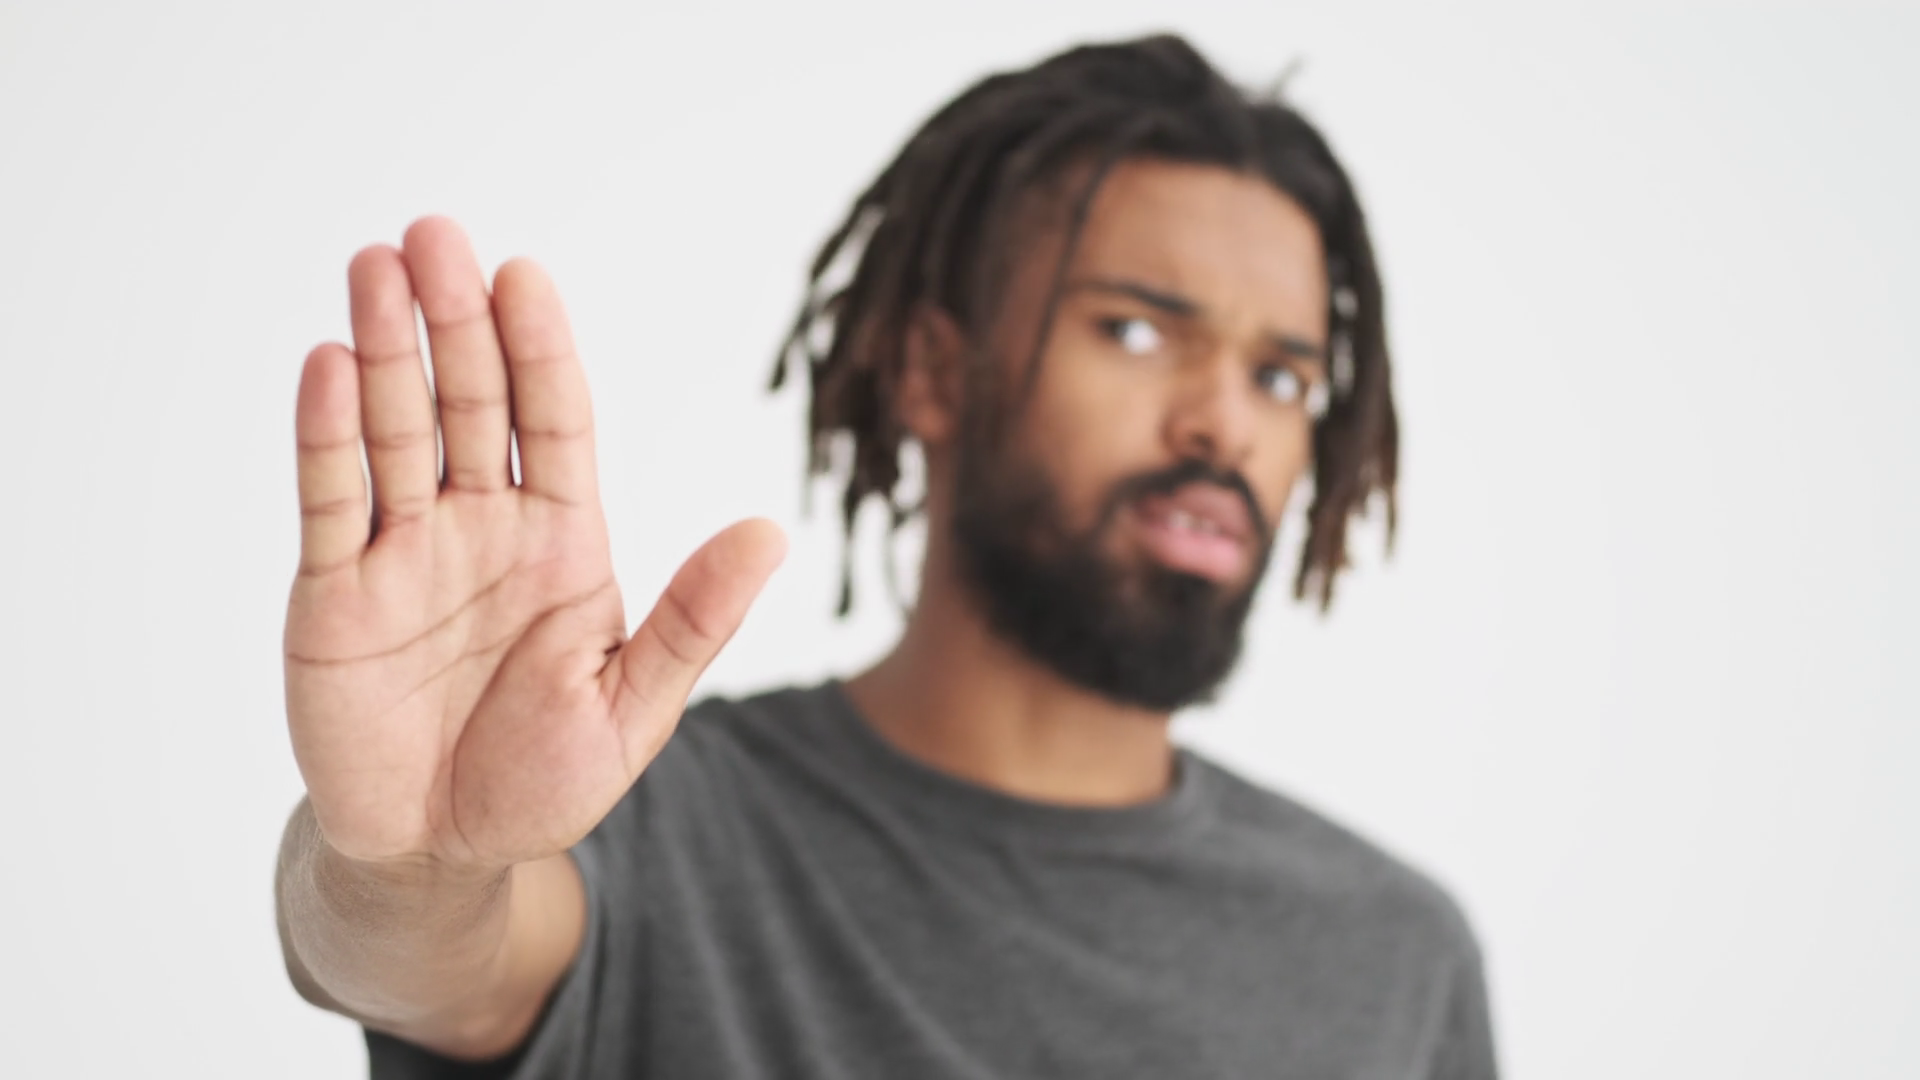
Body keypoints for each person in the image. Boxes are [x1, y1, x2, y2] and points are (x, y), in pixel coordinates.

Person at [274, 33, 1498, 1080]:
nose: (1224, 425)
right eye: (1134, 331)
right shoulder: (645, 820)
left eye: (1280, 377)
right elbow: (425, 966)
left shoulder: (1396, 959)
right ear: (930, 372)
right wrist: (416, 867)